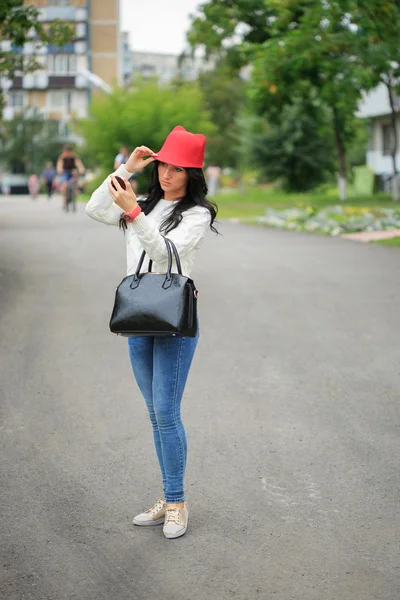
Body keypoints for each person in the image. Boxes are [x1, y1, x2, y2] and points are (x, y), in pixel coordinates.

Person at [85, 126, 218, 539]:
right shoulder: (143, 202)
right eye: (163, 166)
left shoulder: (197, 214)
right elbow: (95, 209)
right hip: (139, 319)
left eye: (177, 170)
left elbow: (165, 254)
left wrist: (136, 214)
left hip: (176, 323)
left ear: (191, 176)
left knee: (166, 411)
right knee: (155, 415)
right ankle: (167, 495)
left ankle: (177, 502)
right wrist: (126, 169)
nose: (167, 176)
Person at [56, 145, 85, 210]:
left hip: (73, 172)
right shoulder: (62, 158)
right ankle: (65, 200)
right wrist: (60, 170)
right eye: (65, 151)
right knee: (64, 185)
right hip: (65, 173)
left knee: (75, 182)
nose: (67, 153)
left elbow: (79, 164)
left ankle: (75, 191)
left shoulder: (74, 157)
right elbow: (59, 165)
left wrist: (81, 169)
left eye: (68, 151)